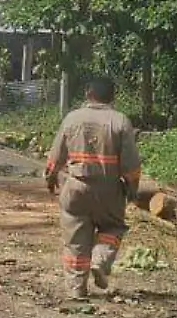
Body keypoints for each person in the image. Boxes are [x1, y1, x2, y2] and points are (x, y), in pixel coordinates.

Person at [44, 75, 141, 301]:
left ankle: (77, 289)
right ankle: (100, 261)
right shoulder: (120, 121)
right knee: (114, 227)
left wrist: (50, 178)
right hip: (110, 190)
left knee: (76, 239)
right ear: (112, 97)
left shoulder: (72, 119)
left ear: (88, 94)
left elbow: (56, 156)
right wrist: (132, 188)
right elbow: (131, 165)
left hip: (76, 188)